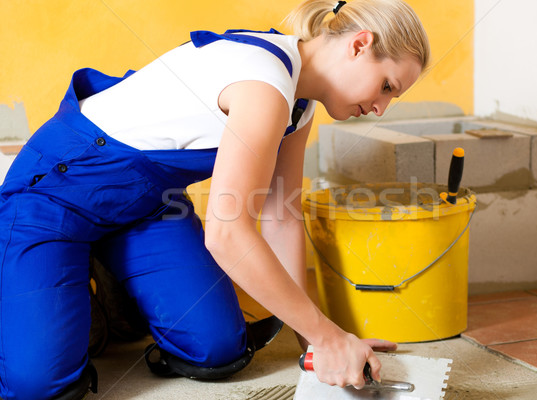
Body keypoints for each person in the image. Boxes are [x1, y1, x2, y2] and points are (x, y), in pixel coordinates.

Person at [0, 0, 430, 398]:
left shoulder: (299, 107)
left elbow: (280, 216)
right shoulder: (264, 80)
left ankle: (101, 287)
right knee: (40, 382)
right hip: (55, 193)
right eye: (388, 86)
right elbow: (226, 234)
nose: (381, 108)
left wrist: (316, 345)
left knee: (218, 349)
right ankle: (66, 286)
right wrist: (328, 336)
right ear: (359, 45)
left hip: (146, 205)